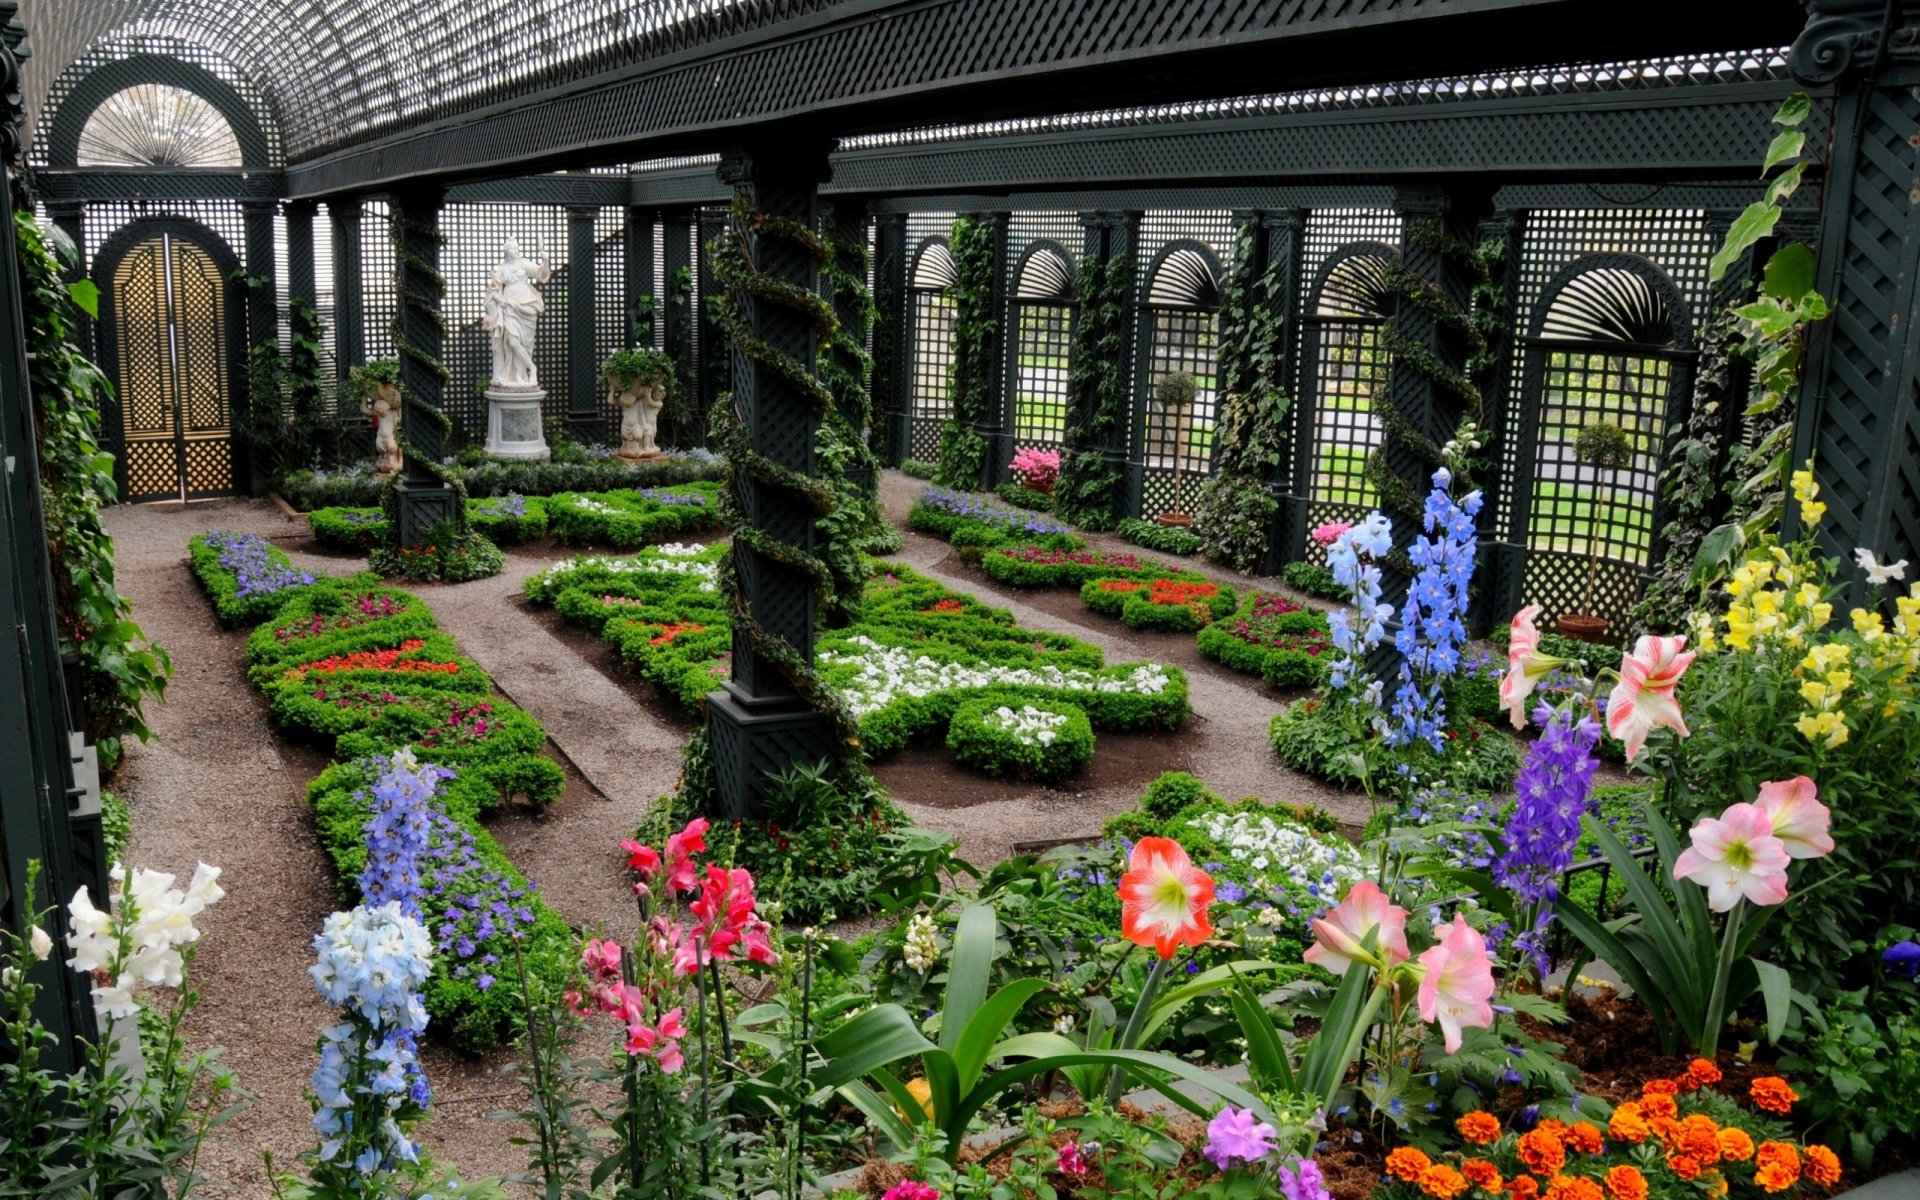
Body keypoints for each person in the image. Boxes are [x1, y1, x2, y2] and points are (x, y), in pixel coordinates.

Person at [482, 237, 551, 388]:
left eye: (517, 248)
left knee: (525, 342)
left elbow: (540, 274)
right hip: (510, 305)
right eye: (513, 248)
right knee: (512, 341)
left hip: (527, 304)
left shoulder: (523, 263)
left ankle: (521, 375)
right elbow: (494, 288)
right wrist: (496, 297)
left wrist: (545, 261)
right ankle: (532, 368)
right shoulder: (502, 269)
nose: (516, 251)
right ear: (506, 251)